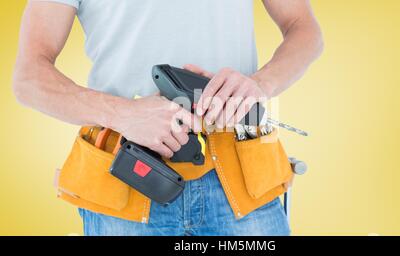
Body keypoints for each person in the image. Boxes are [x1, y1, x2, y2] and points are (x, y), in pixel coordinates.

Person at [13, 0, 323, 236]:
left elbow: (303, 27)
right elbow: (29, 78)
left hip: (242, 178)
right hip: (130, 178)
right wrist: (124, 114)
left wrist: (261, 84)